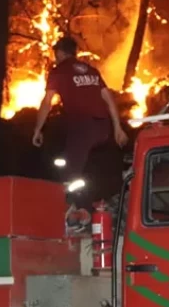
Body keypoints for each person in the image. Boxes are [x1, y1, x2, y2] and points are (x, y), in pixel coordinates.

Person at [32, 37, 128, 200]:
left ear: (61, 53)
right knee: (89, 169)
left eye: (56, 53)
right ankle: (96, 202)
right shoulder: (91, 70)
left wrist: (37, 129)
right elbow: (108, 98)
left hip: (83, 128)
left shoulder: (59, 71)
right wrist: (117, 128)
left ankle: (72, 211)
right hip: (104, 128)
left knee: (69, 174)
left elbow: (47, 102)